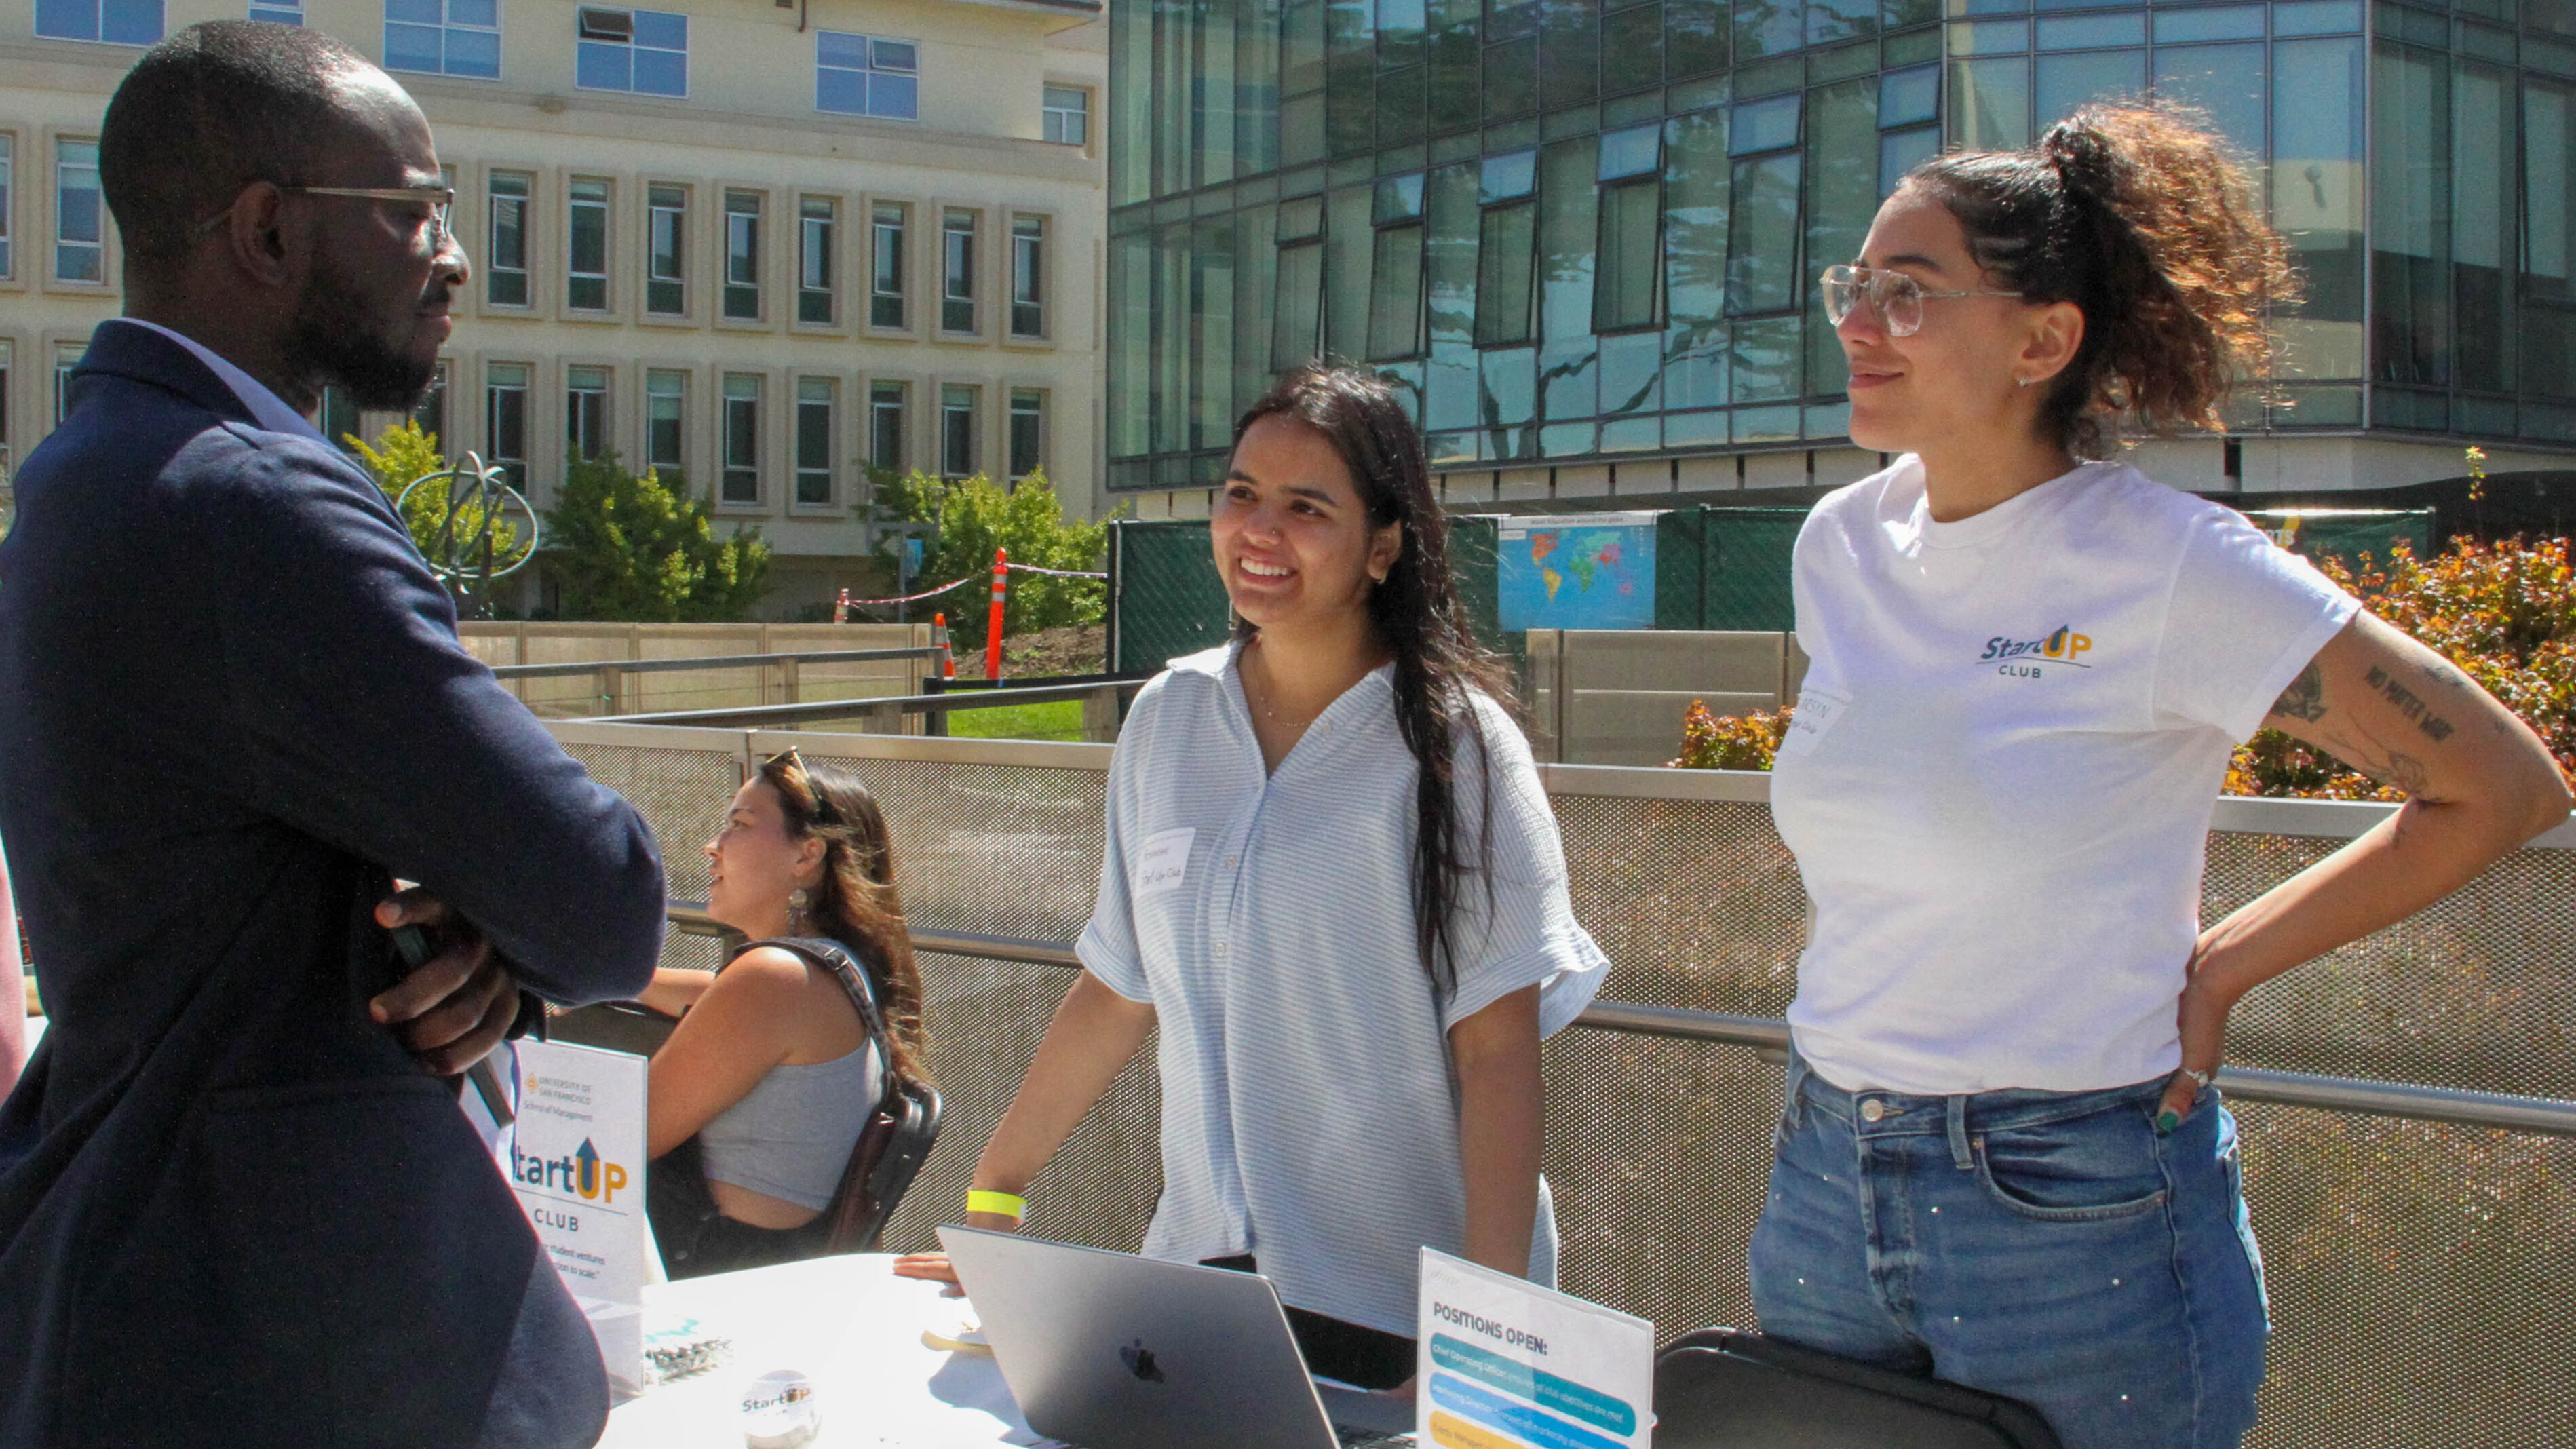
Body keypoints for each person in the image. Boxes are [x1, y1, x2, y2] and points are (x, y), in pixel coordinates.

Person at [1750, 103, 2573, 1449]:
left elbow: (2499, 785)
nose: (1855, 324)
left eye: (1907, 294)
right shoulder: (1838, 544)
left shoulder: (2169, 564)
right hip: (1821, 1172)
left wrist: (2222, 962)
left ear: (2041, 339)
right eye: (1855, 288)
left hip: (2067, 1204)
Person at [0, 22, 668, 1447]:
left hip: (140, 1300)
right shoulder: (254, 502)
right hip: (305, 1348)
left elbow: (242, 898)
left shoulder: (77, 474)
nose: (454, 256)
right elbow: (604, 898)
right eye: (415, 210)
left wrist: (480, 950)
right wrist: (515, 923)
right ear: (265, 230)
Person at [896, 364, 1609, 1388]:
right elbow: (1114, 985)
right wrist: (996, 1200)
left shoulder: (1456, 746)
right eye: (1241, 496)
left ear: (1383, 546)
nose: (1259, 531)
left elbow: (1498, 1055)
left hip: (1398, 1311)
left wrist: (1479, 1342)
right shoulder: (1169, 718)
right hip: (1202, 1296)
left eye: (1306, 508)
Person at [642, 749, 931, 1279]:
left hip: (713, 1284)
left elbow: (625, 1137)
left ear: (806, 856)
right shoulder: (832, 972)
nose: (713, 847)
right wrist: (623, 983)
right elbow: (709, 995)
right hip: (779, 1274)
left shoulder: (772, 978)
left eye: (739, 824)